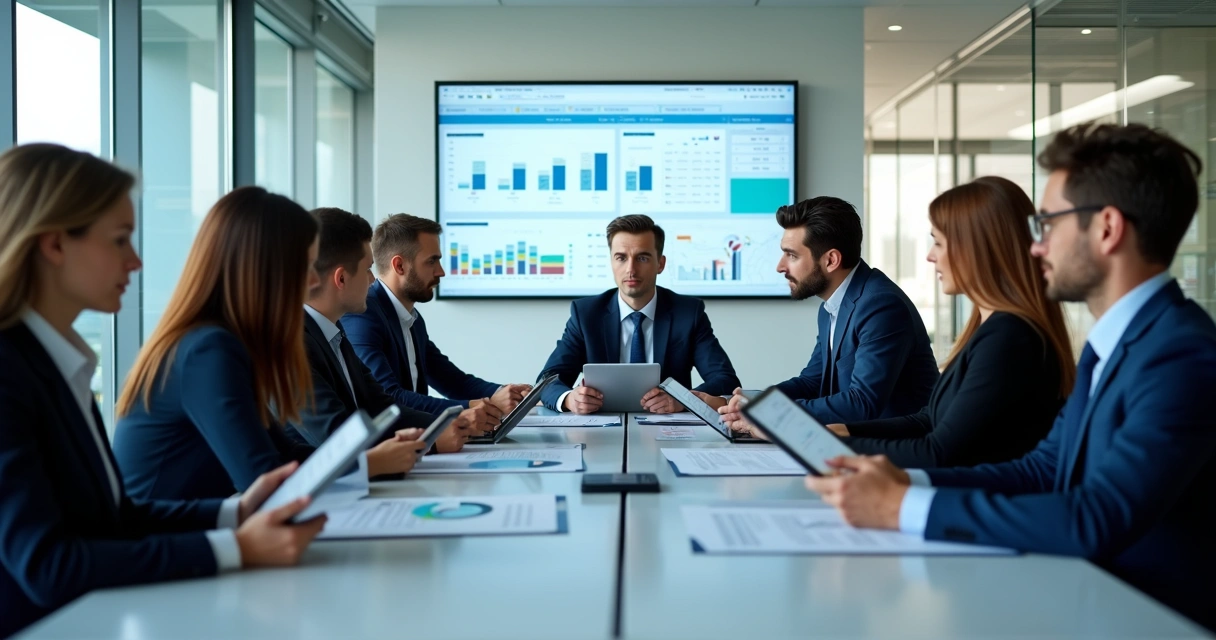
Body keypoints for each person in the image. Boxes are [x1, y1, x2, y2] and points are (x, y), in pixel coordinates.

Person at [806, 123, 1216, 632]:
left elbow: (1097, 517)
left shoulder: (1180, 354)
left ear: (1107, 228)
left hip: (1140, 615)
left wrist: (905, 507)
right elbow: (1042, 470)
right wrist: (904, 481)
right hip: (1081, 593)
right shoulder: (1117, 344)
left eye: (1048, 224)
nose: (1036, 247)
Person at [0, 144, 323, 638]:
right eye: (120, 240)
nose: (136, 262)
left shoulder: (57, 361)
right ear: (55, 244)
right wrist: (237, 547)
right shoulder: (10, 372)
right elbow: (49, 566)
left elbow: (117, 516)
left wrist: (235, 510)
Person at [112, 188, 432, 502]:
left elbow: (283, 453)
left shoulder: (225, 341)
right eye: (304, 267)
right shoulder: (208, 350)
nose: (311, 282)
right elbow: (263, 478)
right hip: (172, 545)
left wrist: (376, 457)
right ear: (264, 269)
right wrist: (370, 463)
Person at [817, 177, 1075, 468]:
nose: (930, 256)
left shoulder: (1010, 338)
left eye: (938, 242)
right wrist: (847, 431)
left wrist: (834, 445)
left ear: (979, 249)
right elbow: (930, 419)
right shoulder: (990, 328)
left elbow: (938, 452)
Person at [717, 197, 938, 430]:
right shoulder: (831, 306)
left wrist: (773, 413)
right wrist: (757, 402)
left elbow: (862, 403)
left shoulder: (880, 306)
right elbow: (813, 381)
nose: (780, 266)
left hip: (895, 452)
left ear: (831, 260)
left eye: (791, 255)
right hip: (850, 444)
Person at [292, 207, 480, 456]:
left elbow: (383, 407)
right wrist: (429, 443)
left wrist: (451, 425)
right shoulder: (291, 347)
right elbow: (338, 439)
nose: (373, 280)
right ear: (341, 279)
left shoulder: (334, 334)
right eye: (368, 269)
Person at [537, 214, 741, 414]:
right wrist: (569, 400)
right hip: (600, 431)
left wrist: (683, 399)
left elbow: (725, 379)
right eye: (621, 258)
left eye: (642, 258)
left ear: (660, 264)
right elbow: (547, 380)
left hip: (669, 431)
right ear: (611, 262)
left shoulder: (688, 313)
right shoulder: (586, 314)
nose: (631, 269)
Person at [342, 213, 530, 427]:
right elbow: (389, 398)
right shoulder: (364, 317)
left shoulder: (412, 319)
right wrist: (475, 406)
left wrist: (505, 393)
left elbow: (451, 380)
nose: (441, 272)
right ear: (400, 266)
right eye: (432, 261)